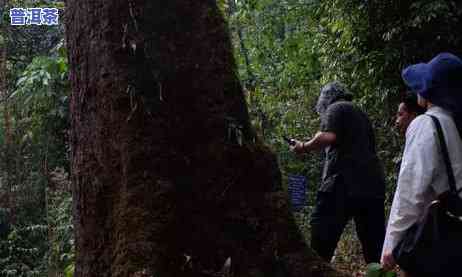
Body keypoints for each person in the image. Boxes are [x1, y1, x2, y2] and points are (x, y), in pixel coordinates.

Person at [381, 53, 462, 276]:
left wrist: (391, 244)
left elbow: (410, 189)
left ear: (429, 90)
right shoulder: (451, 123)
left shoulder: (426, 124)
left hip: (442, 239)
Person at [290, 81, 386, 263]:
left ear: (327, 99)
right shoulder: (361, 114)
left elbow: (327, 136)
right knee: (374, 250)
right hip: (372, 188)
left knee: (320, 241)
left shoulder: (336, 107)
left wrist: (303, 146)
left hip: (342, 185)